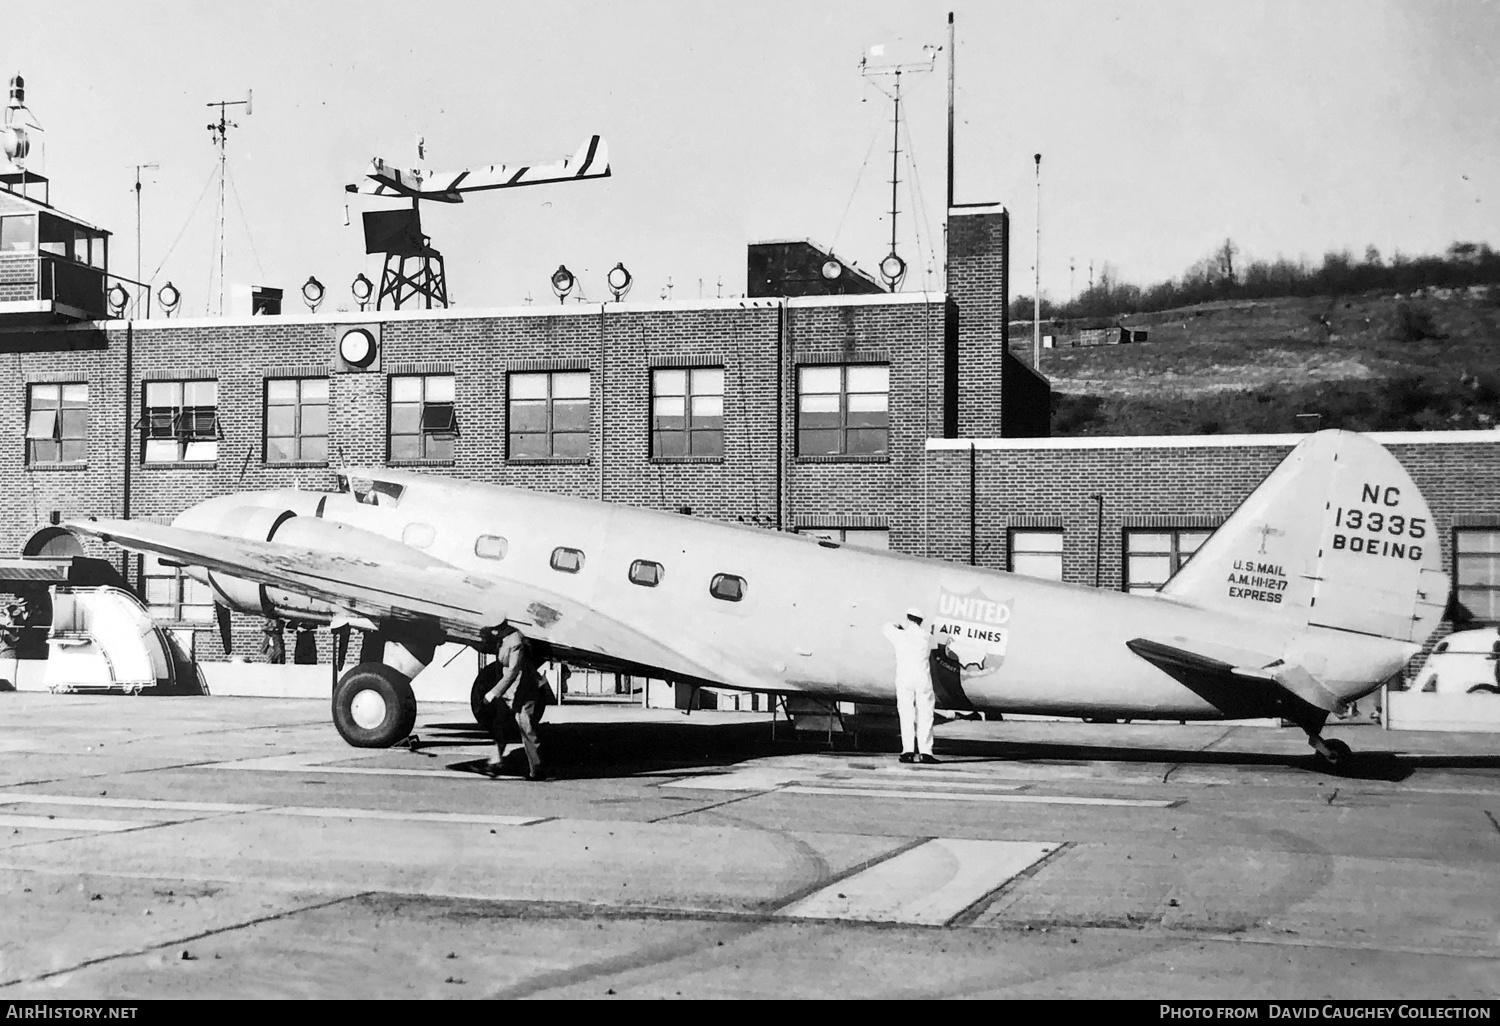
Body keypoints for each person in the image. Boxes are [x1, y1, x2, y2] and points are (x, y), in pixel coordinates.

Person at [478, 621, 549, 781]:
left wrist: (493, 693)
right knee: (500, 724)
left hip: (523, 690)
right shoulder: (503, 638)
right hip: (509, 691)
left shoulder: (516, 641)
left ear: (501, 628)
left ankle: (536, 769)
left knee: (526, 728)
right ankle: (494, 762)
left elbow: (513, 671)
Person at [881, 607, 943, 765]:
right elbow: (935, 646)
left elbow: (886, 627)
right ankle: (926, 752)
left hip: (904, 678)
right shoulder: (927, 636)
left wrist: (900, 625)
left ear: (908, 619)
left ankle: (908, 751)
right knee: (926, 714)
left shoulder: (900, 635)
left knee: (906, 713)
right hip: (923, 678)